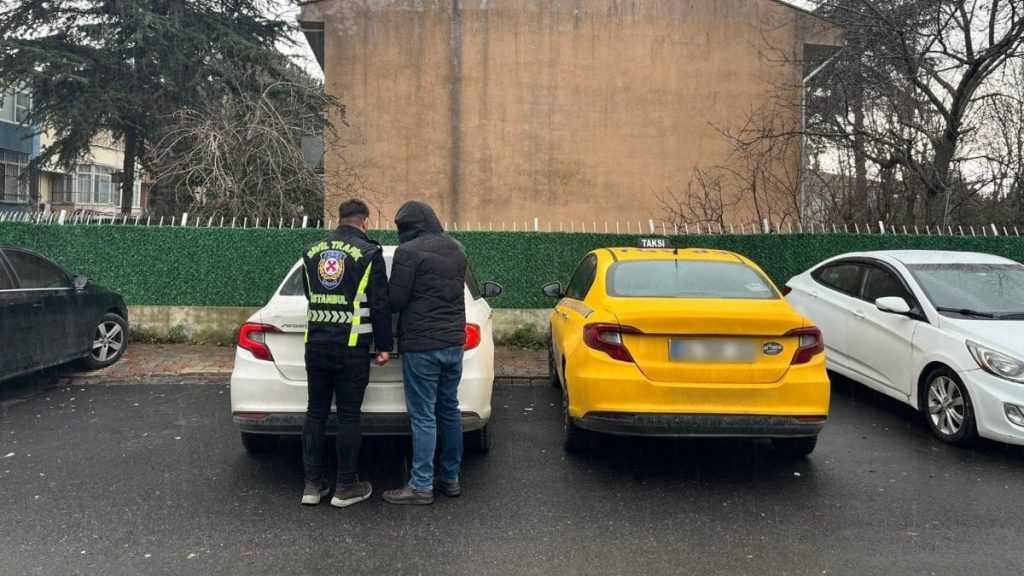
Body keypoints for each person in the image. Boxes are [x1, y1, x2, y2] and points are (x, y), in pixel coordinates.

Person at [300, 198, 392, 507]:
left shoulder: (311, 252)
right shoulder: (369, 253)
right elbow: (379, 304)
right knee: (349, 415)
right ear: (364, 222)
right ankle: (345, 486)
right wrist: (383, 346)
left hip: (315, 344)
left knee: (315, 412)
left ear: (337, 220)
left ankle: (312, 486)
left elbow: (310, 294)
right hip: (351, 347)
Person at [383, 201, 468, 506]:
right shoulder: (457, 248)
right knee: (449, 410)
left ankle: (420, 485)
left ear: (407, 227)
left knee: (423, 416)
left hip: (422, 346)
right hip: (453, 343)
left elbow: (396, 300)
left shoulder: (409, 252)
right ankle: (451, 477)